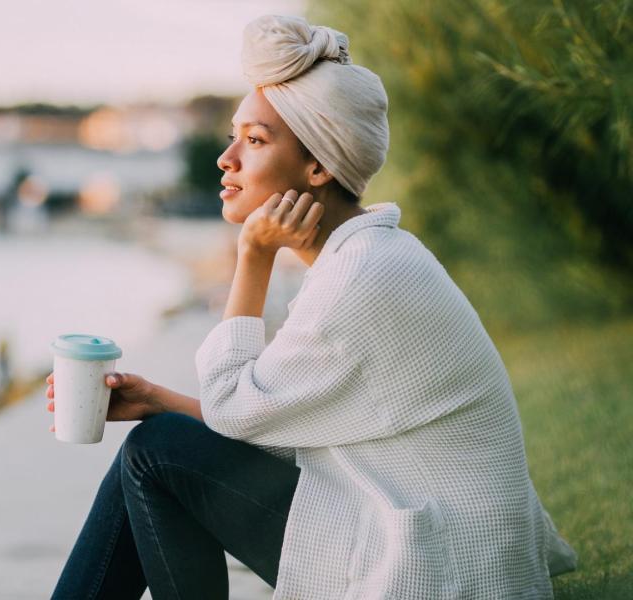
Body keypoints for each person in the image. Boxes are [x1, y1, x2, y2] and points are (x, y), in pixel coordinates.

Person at [46, 15, 577, 600]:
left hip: (443, 566)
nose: (227, 159)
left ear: (318, 166)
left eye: (254, 140)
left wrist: (252, 257)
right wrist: (155, 400)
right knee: (155, 447)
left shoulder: (362, 276)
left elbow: (234, 408)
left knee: (154, 453)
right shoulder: (367, 256)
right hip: (428, 531)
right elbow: (272, 425)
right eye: (233, 136)